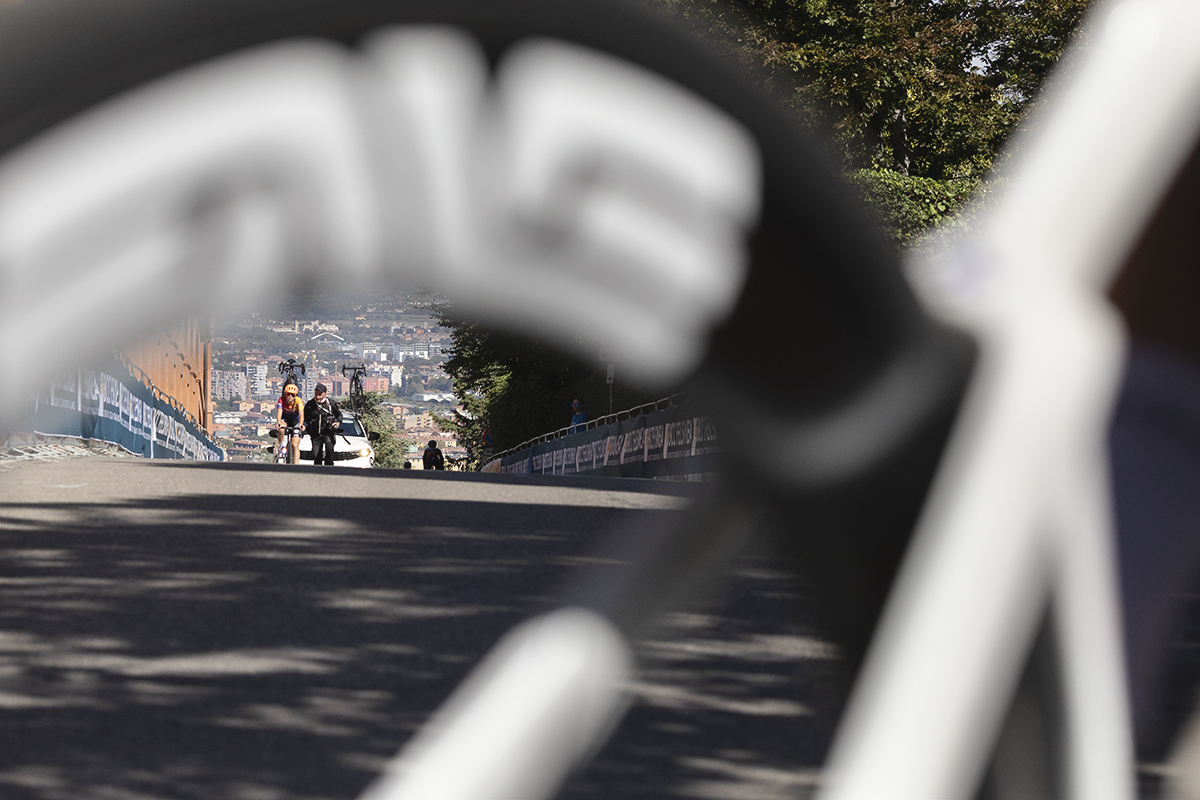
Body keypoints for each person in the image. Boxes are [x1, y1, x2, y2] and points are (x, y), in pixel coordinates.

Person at [304, 383, 341, 466]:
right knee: (316, 455)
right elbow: (304, 417)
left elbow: (339, 415)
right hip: (315, 434)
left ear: (325, 394)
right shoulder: (310, 404)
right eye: (316, 394)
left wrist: (337, 422)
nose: (318, 397)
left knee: (329, 448)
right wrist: (309, 426)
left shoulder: (331, 404)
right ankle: (318, 473)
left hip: (328, 432)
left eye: (320, 395)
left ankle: (329, 469)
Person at [274, 380, 304, 463]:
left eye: (292, 395)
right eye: (288, 394)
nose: (290, 396)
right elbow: (279, 412)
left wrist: (301, 424)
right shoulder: (281, 400)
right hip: (285, 419)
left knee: (295, 445)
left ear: (295, 396)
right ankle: (280, 446)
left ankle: (296, 465)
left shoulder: (298, 400)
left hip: (295, 421)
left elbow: (301, 414)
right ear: (285, 394)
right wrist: (278, 422)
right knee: (282, 429)